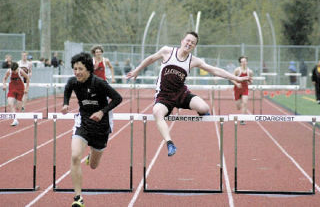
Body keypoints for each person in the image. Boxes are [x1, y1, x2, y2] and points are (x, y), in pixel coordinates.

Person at [126, 31, 251, 157]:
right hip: (164, 96)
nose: (189, 43)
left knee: (205, 108)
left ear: (194, 47)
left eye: (192, 43)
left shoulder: (194, 61)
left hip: (181, 94)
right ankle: (169, 143)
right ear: (182, 41)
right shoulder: (167, 51)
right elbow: (151, 58)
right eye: (188, 40)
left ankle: (201, 111)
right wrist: (137, 70)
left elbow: (215, 70)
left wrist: (237, 79)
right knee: (157, 112)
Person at [61, 52, 122, 207]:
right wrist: (66, 104)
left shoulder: (99, 83)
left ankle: (91, 156)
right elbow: (67, 88)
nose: (77, 72)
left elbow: (118, 98)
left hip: (101, 126)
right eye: (74, 69)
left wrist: (102, 112)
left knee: (94, 165)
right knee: (75, 156)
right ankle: (78, 197)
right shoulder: (73, 82)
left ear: (88, 69)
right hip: (83, 122)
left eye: (80, 69)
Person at [231, 56, 253, 125]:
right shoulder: (237, 70)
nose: (244, 63)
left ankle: (242, 119)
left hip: (245, 89)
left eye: (245, 61)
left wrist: (250, 81)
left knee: (245, 103)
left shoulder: (250, 71)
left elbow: (251, 81)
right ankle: (239, 103)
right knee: (238, 107)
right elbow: (231, 78)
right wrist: (236, 84)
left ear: (247, 62)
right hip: (237, 89)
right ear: (240, 63)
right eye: (242, 61)